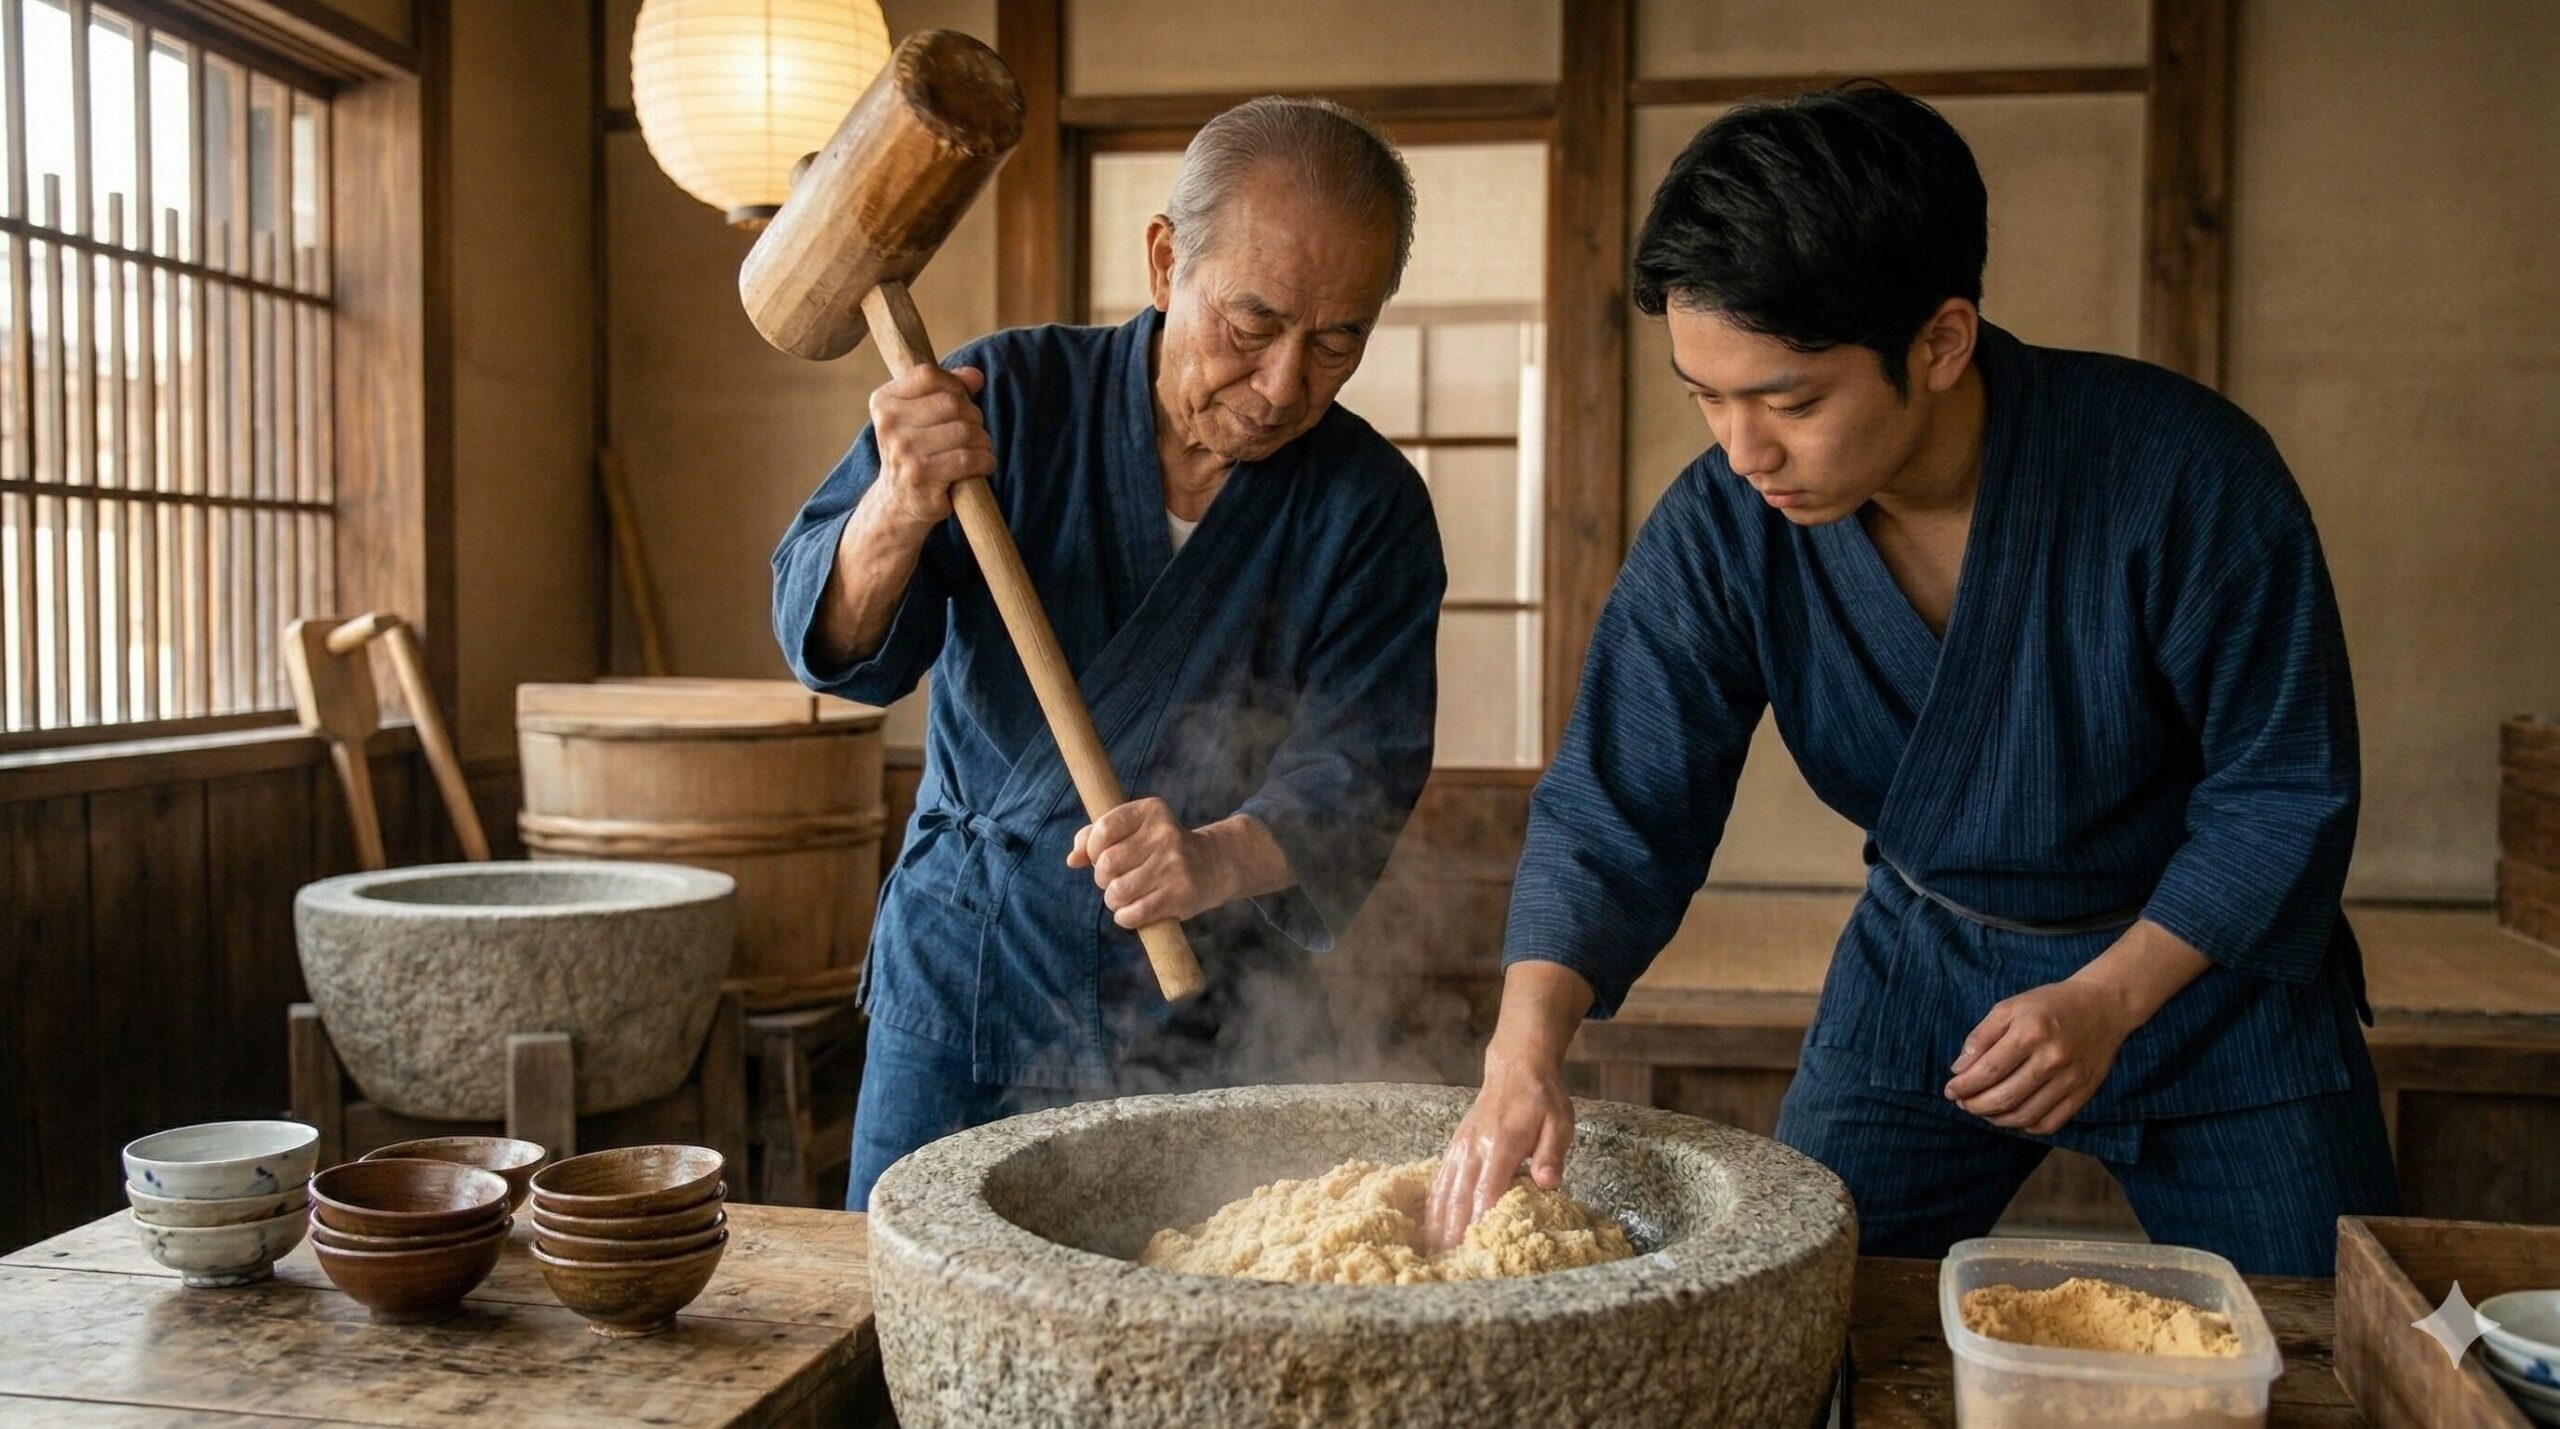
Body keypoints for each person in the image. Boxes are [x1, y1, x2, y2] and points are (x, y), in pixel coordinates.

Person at [1425, 83, 2397, 1276]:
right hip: (1928, 962)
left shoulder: (2182, 477)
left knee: (2336, 1347)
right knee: (1809, 1305)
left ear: (1940, 341)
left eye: (1790, 400)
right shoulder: (1723, 527)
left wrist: (2105, 998)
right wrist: (1523, 1051)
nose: (1743, 450)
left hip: (2210, 970)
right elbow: (1617, 800)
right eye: (1705, 397)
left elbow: (2281, 791)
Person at [773, 97, 1445, 1211]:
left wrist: (1214, 857)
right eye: (1252, 325)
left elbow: (1364, 765)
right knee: (901, 1323)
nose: (1284, 385)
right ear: (1165, 260)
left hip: (1203, 1012)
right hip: (968, 978)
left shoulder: (1367, 507)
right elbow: (835, 650)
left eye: (1336, 342)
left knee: (1177, 1327)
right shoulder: (1006, 402)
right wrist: (894, 507)